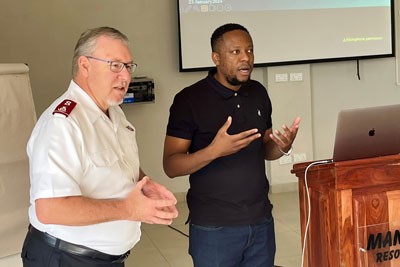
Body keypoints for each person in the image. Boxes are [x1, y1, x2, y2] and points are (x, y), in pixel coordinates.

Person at [21, 26, 178, 267]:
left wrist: (144, 185)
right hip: (66, 259)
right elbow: (50, 209)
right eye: (115, 65)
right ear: (85, 65)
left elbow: (116, 166)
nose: (125, 76)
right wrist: (128, 209)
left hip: (105, 260)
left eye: (128, 66)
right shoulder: (62, 123)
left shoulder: (114, 112)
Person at [163, 23, 300, 267]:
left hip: (260, 221)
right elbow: (171, 165)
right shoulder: (189, 99)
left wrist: (282, 146)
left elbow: (265, 149)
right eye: (235, 52)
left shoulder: (258, 92)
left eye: (250, 50)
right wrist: (214, 151)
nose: (246, 58)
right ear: (216, 57)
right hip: (214, 227)